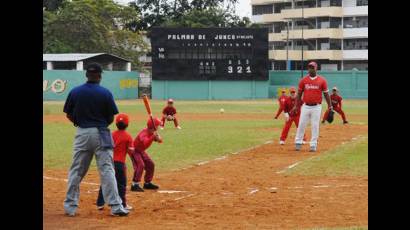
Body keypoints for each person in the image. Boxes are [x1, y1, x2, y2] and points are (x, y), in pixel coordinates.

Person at [63, 63, 129, 217]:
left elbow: (68, 114)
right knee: (107, 170)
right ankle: (116, 206)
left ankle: (70, 207)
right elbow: (111, 117)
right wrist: (100, 124)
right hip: (101, 132)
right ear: (99, 76)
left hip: (82, 133)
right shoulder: (105, 93)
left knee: (76, 170)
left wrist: (79, 122)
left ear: (86, 75)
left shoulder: (75, 92)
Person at [291, 61, 333, 152]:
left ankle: (313, 145)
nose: (310, 69)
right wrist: (295, 106)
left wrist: (330, 106)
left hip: (316, 107)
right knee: (301, 124)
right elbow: (299, 95)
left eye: (312, 67)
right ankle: (298, 142)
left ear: (316, 68)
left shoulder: (322, 80)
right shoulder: (303, 80)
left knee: (315, 125)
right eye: (309, 67)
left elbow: (326, 94)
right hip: (305, 106)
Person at [96, 113, 134, 211]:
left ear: (116, 123)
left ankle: (100, 203)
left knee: (106, 181)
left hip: (110, 162)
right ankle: (123, 204)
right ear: (127, 124)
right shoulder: (128, 136)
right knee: (121, 185)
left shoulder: (111, 134)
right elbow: (131, 151)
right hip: (120, 164)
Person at [129, 118, 163, 192]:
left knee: (151, 164)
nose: (158, 127)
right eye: (157, 125)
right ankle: (135, 184)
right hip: (134, 151)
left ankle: (147, 183)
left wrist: (158, 138)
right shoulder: (144, 133)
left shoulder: (152, 132)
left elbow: (160, 141)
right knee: (140, 165)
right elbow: (145, 143)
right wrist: (153, 137)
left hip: (141, 151)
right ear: (153, 126)